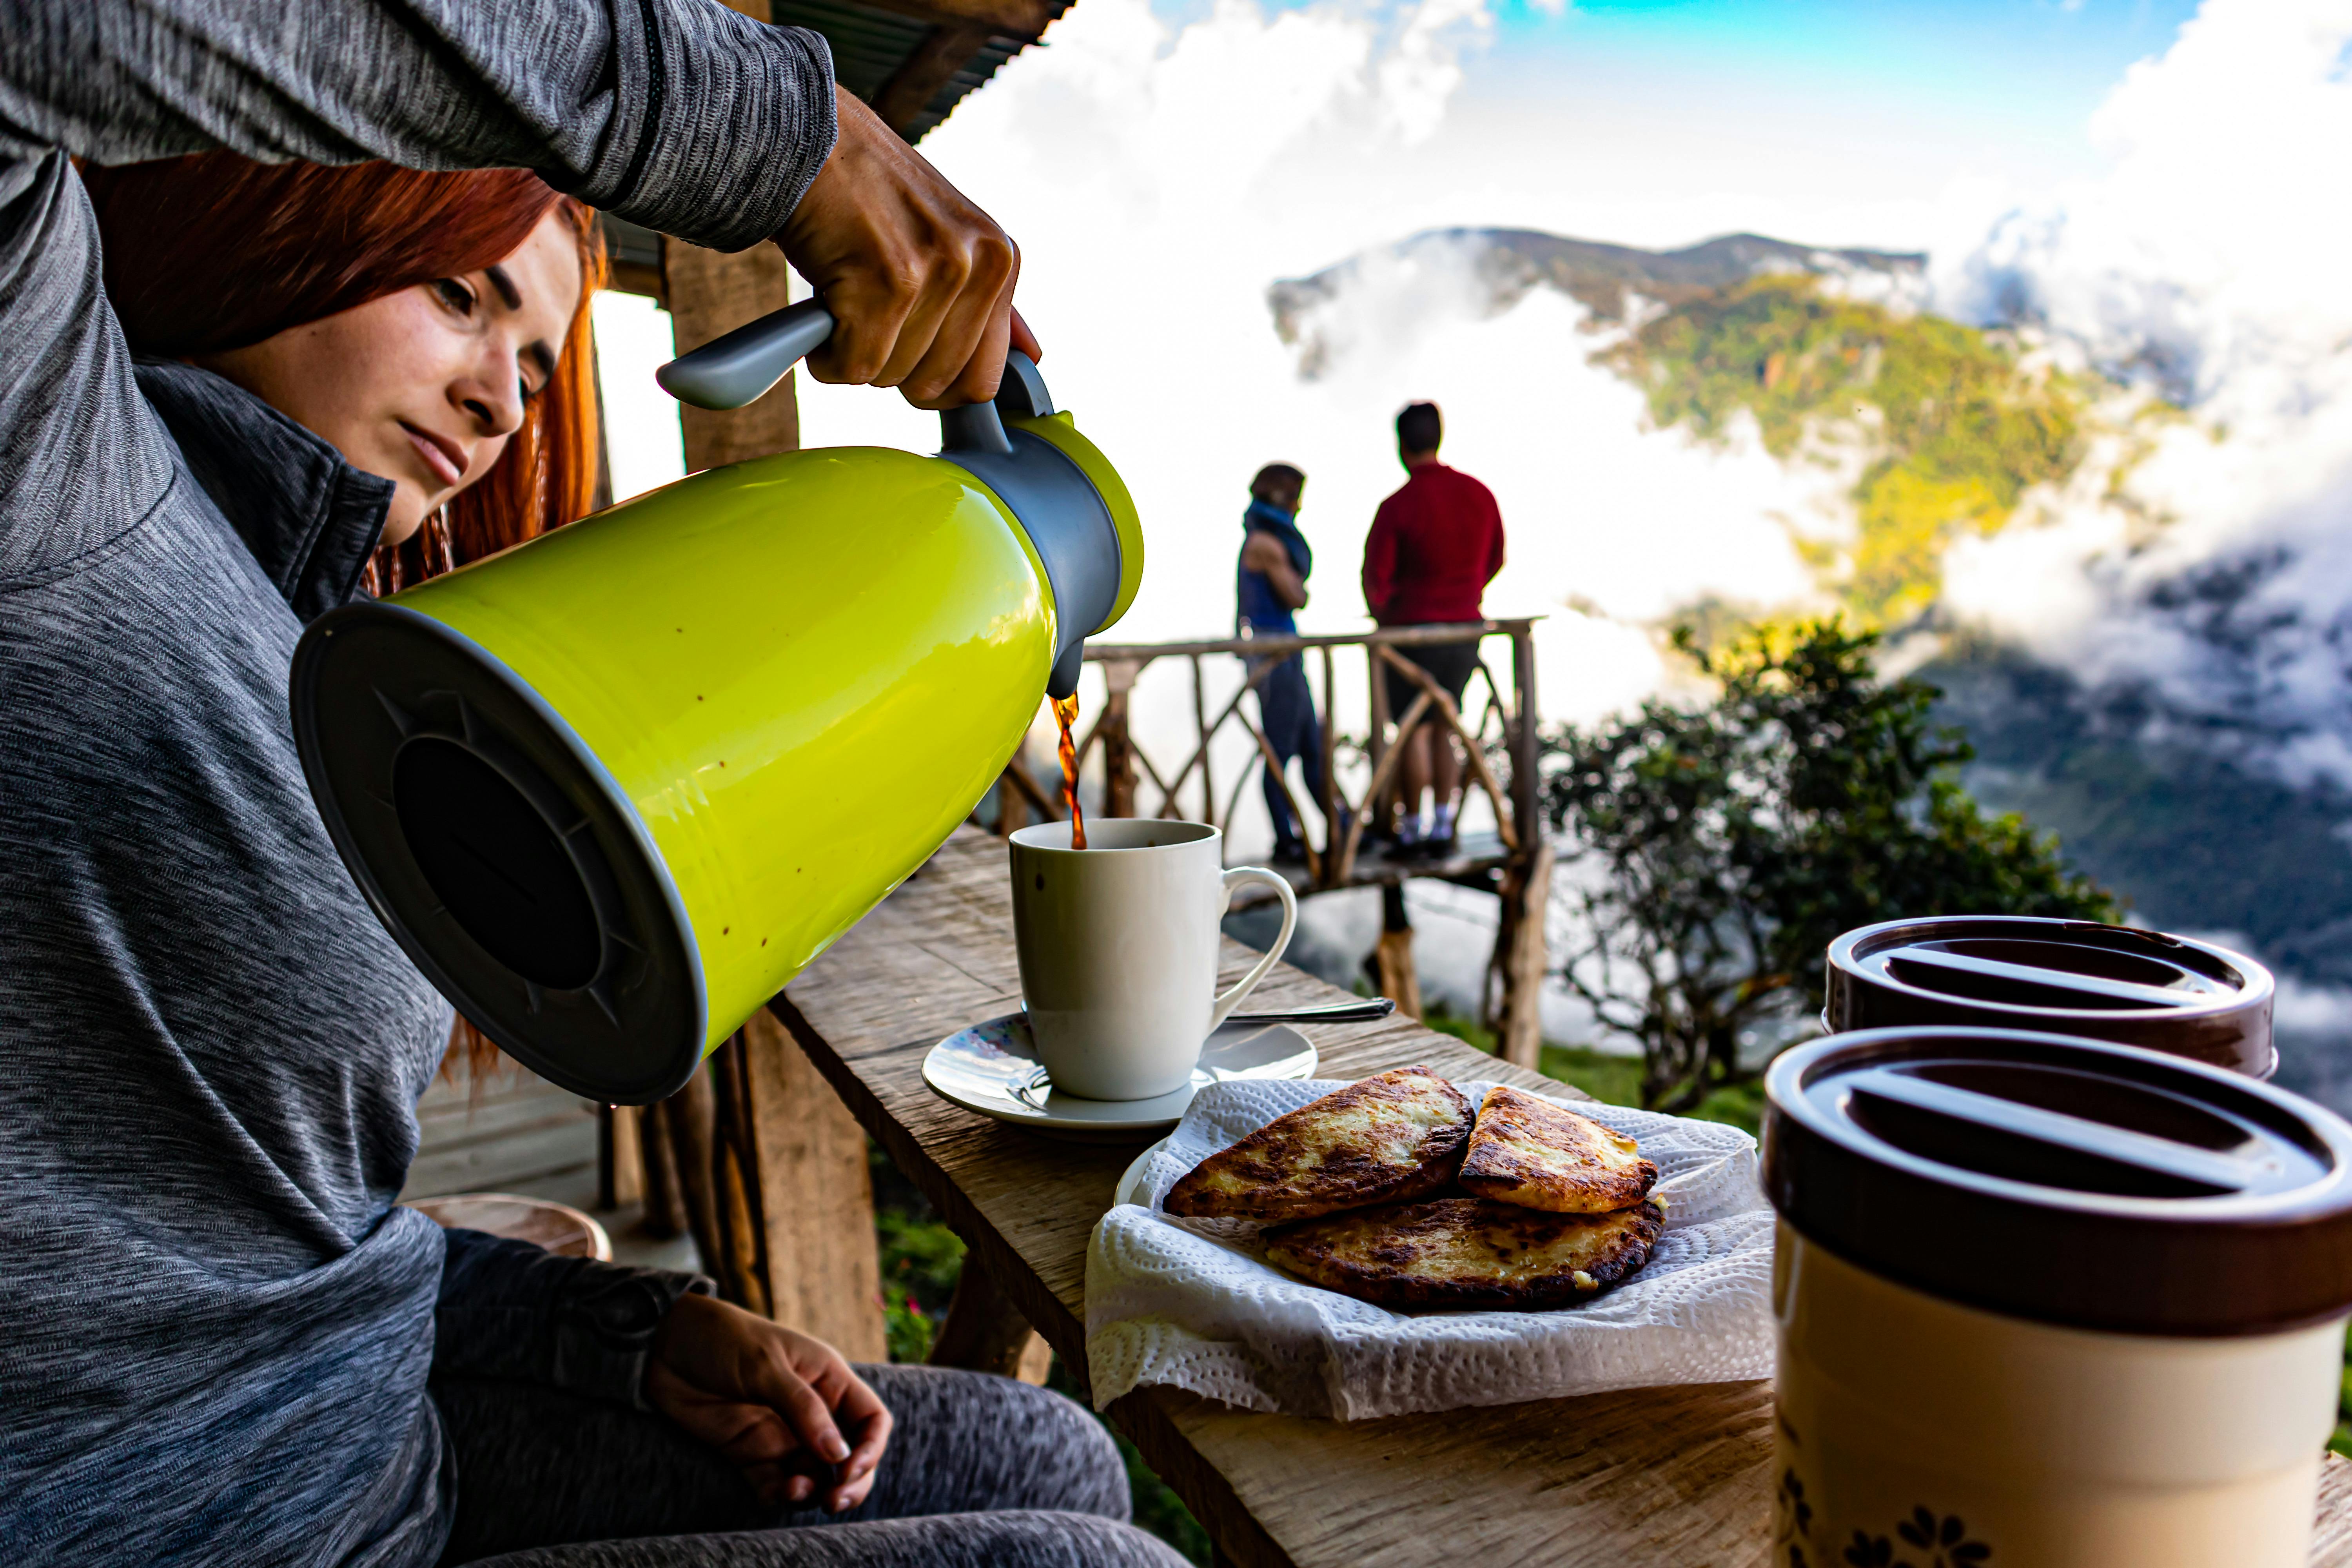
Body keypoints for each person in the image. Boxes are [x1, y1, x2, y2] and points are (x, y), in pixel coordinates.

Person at [0, 6, 1184, 1568]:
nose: (502, 401)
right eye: (455, 292)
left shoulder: (349, 653)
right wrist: (784, 132)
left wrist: (607, 1333)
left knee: (1045, 1444)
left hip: (376, 1433)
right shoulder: (50, 472)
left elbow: (233, 1235)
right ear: (289, 200)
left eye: (538, 363)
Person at [1359, 401, 1505, 856]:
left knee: (1411, 731)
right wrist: (1465, 594)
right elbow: (1497, 557)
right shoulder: (1478, 495)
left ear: (1402, 445)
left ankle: (1412, 828)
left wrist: (1387, 614)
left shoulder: (1398, 507)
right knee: (1446, 723)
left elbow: (1375, 580)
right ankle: (1444, 826)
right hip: (1464, 631)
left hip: (1411, 635)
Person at [1236, 463, 1328, 864]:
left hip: (1283, 652)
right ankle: (1285, 838)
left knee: (1311, 746)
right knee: (1280, 750)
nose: (1299, 507)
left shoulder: (1265, 540)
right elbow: (1297, 595)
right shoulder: (1264, 543)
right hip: (1274, 656)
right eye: (1294, 497)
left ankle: (1340, 825)